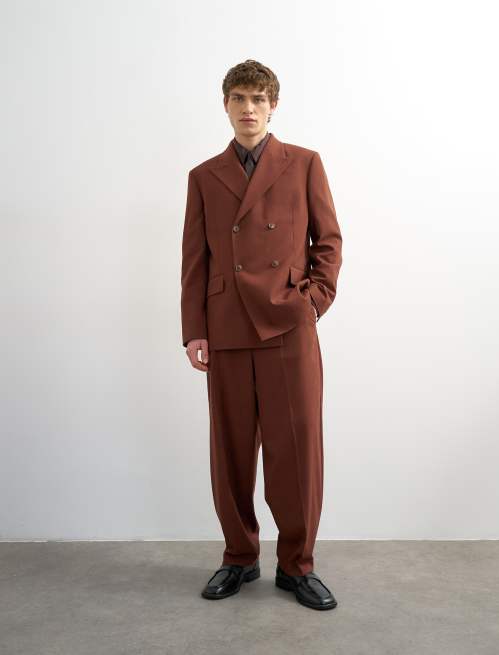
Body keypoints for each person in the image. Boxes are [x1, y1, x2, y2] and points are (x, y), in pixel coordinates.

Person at [180, 59, 342, 610]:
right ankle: (238, 557)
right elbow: (195, 259)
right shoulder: (204, 176)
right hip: (226, 325)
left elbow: (329, 241)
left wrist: (312, 301)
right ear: (226, 106)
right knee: (230, 450)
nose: (248, 108)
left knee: (296, 448)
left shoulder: (304, 163)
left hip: (289, 325)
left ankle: (297, 565)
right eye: (238, 99)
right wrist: (194, 329)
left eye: (257, 99)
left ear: (273, 106)